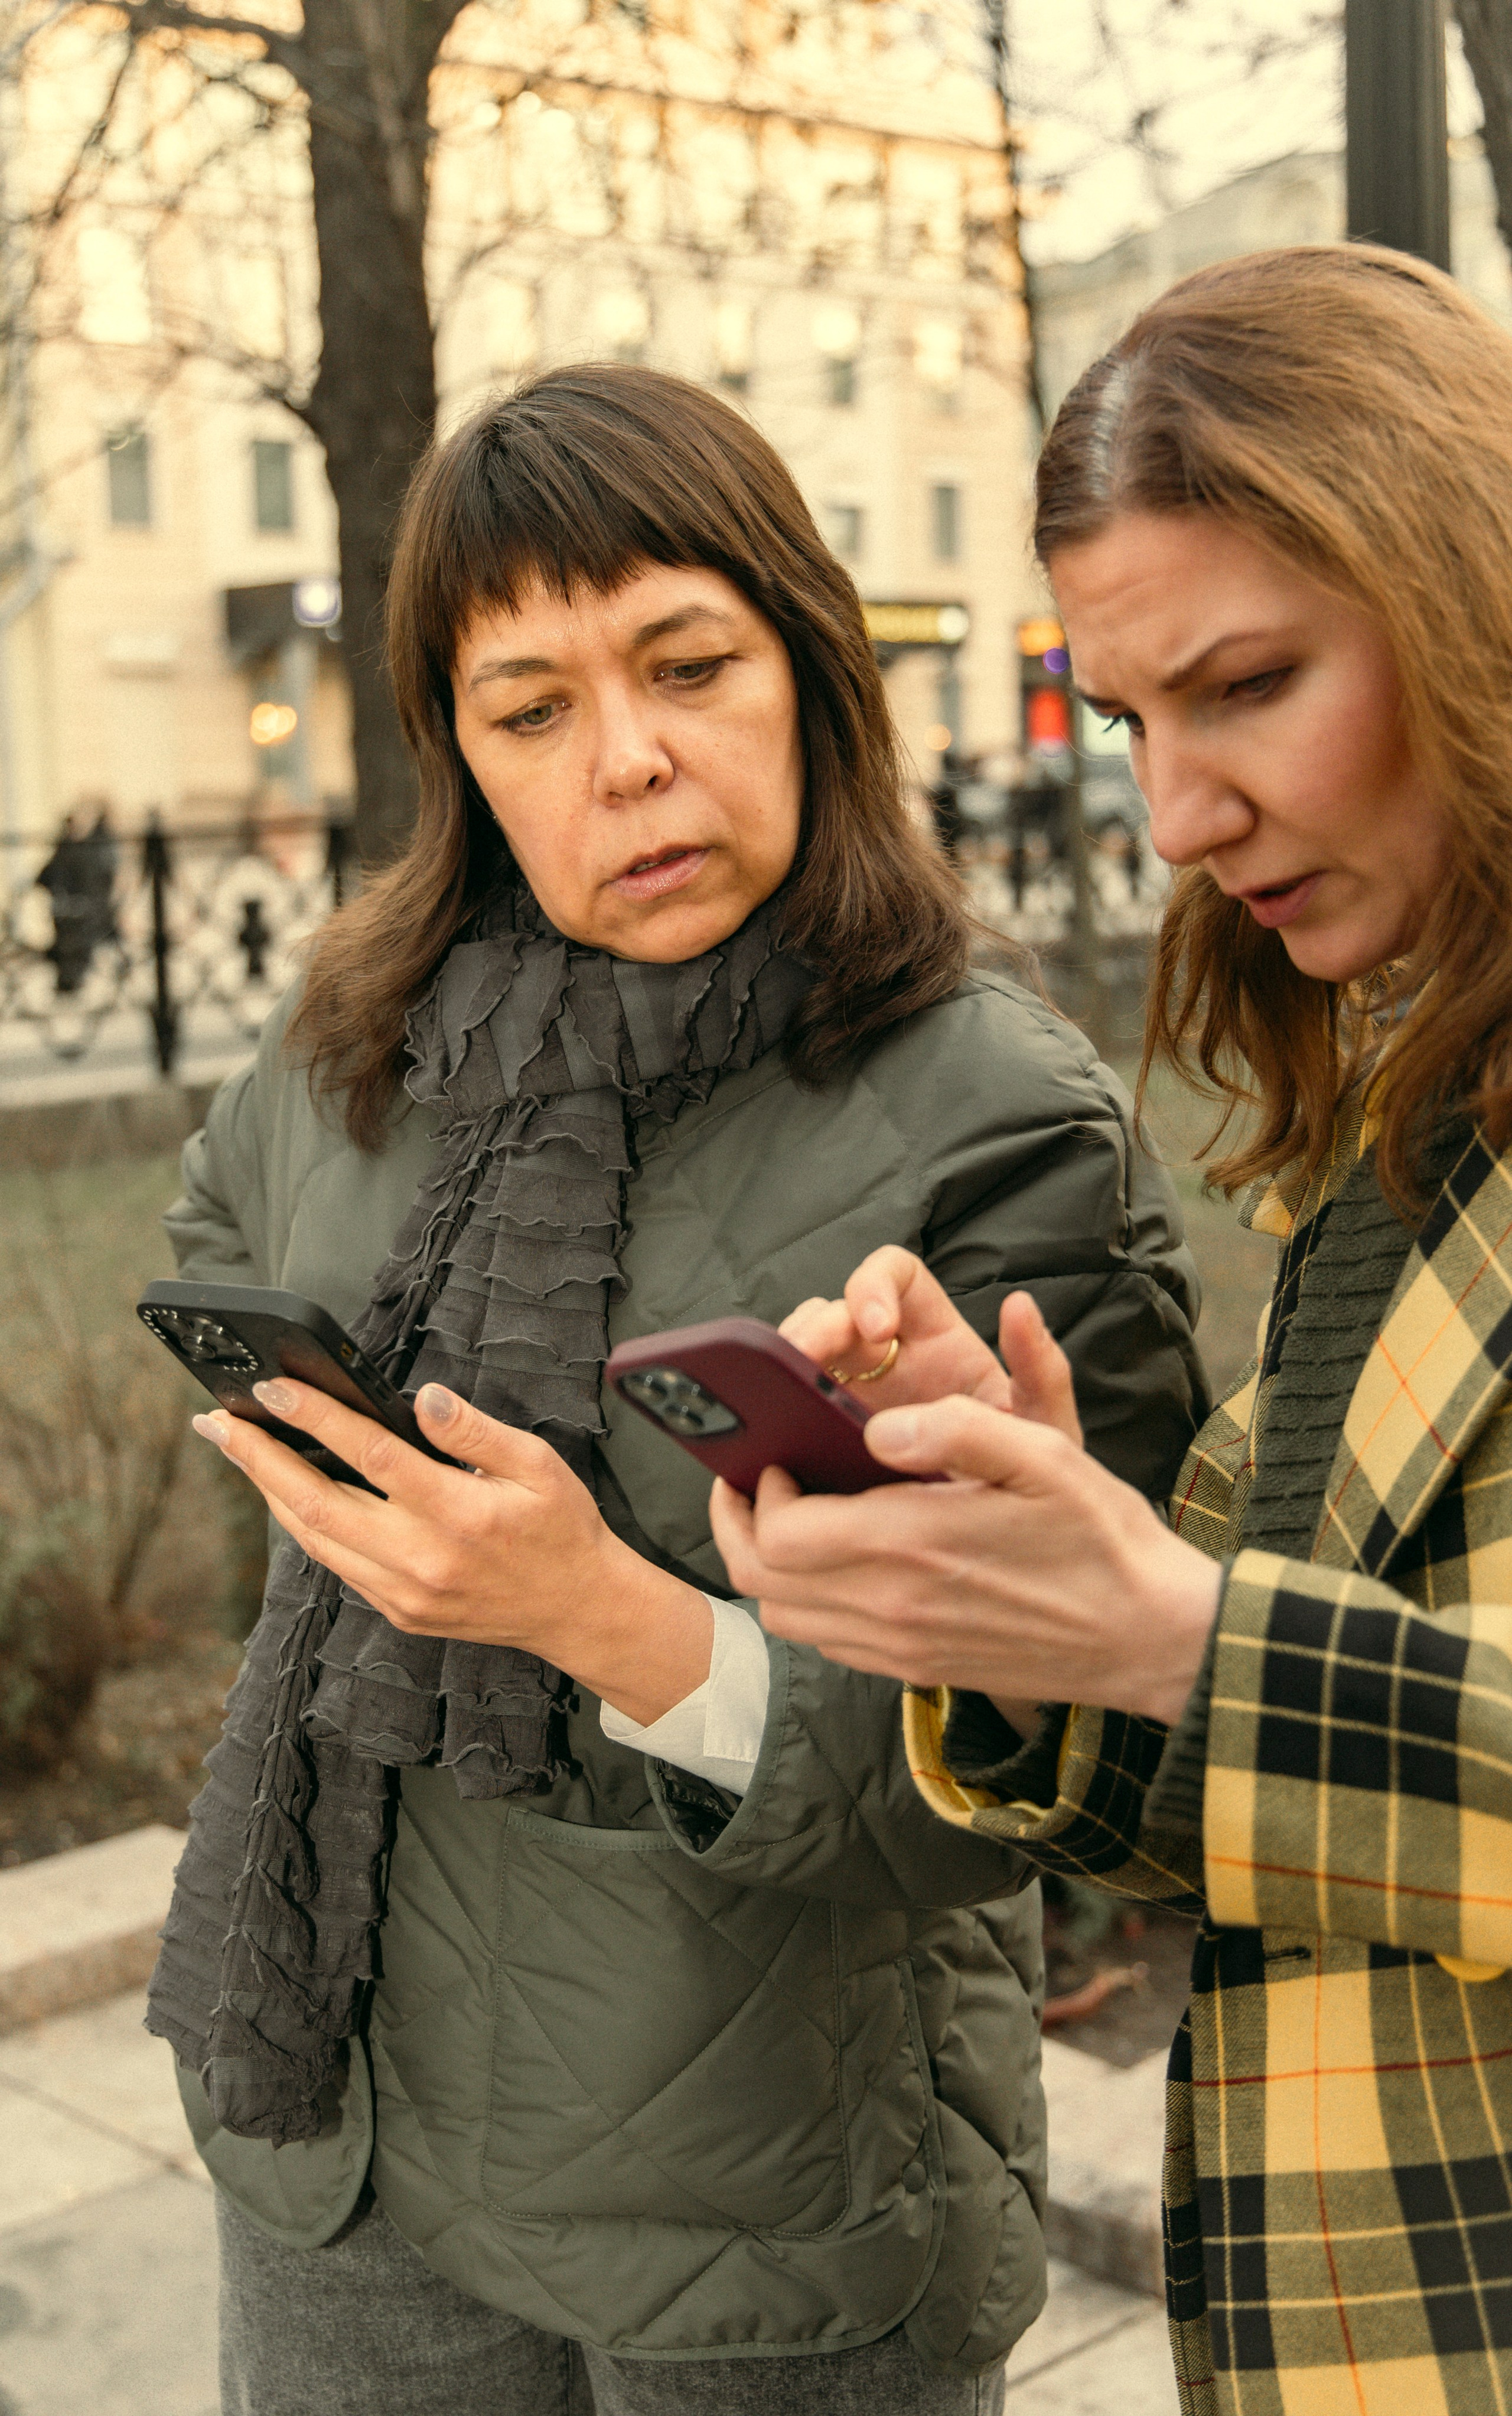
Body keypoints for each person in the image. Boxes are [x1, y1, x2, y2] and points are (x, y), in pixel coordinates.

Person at [145, 363, 1204, 2416]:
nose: (626, 760)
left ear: (809, 666)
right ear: (460, 753)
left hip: (775, 2207)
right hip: (330, 2125)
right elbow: (221, 1277)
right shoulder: (356, 1046)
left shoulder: (996, 1120)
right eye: (529, 708)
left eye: (688, 665)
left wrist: (603, 1615)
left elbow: (1062, 1770)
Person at [713, 244, 1512, 2416]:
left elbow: (1258, 1676)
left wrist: (1176, 1631)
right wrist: (1038, 1572)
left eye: (1249, 684)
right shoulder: (1408, 1098)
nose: (1176, 814)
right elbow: (1285, 1773)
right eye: (1138, 717)